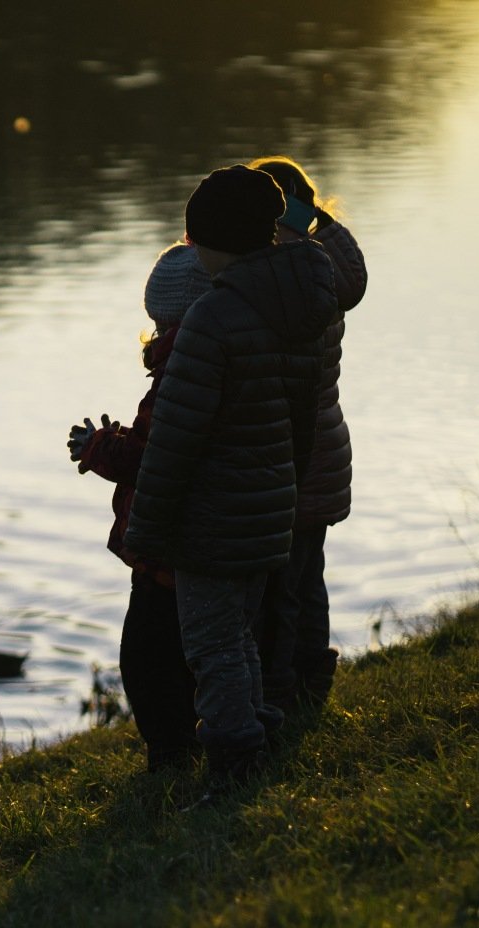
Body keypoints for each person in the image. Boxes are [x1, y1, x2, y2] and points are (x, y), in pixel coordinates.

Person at [122, 165, 341, 792]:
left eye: (201, 247)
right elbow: (303, 417)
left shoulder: (212, 320)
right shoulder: (302, 303)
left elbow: (175, 442)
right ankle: (262, 727)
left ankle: (235, 763)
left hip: (213, 516)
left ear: (214, 243)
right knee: (246, 636)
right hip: (274, 504)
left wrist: (149, 528)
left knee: (215, 644)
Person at [67, 243, 210, 771]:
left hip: (167, 549)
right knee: (189, 654)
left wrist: (100, 448)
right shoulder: (206, 359)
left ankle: (172, 759)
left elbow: (156, 459)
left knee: (149, 662)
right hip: (188, 544)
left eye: (158, 320)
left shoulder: (182, 369)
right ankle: (185, 748)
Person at [245, 155, 368, 713]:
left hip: (291, 456)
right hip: (325, 448)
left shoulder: (284, 282)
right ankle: (309, 683)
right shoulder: (324, 276)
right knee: (305, 578)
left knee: (280, 587)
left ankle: (283, 690)